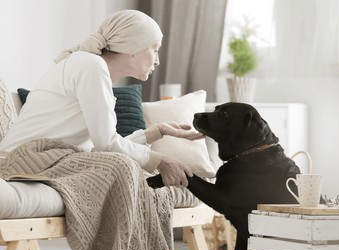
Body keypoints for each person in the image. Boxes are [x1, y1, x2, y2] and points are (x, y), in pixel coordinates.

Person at [0, 10, 202, 188]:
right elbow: (106, 145)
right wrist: (160, 160)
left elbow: (99, 147)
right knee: (121, 168)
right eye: (154, 49)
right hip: (20, 161)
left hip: (42, 158)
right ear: (133, 46)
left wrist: (158, 131)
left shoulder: (92, 67)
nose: (157, 60)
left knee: (120, 166)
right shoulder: (89, 65)